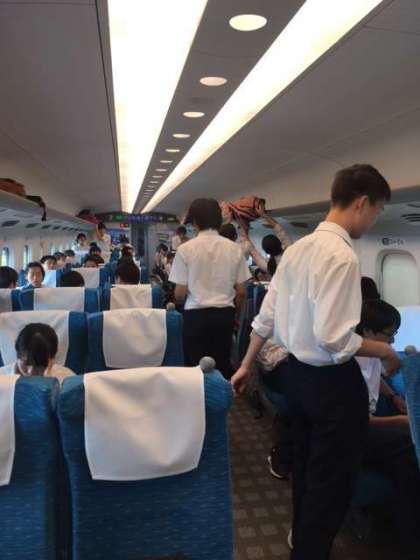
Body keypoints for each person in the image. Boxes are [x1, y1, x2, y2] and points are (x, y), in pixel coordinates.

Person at [231, 164, 400, 560]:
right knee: (332, 485)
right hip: (333, 385)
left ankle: (303, 546)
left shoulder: (297, 250)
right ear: (361, 203)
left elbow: (266, 317)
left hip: (298, 378)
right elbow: (335, 339)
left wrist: (245, 364)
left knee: (307, 472)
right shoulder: (342, 256)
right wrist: (386, 351)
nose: (374, 221)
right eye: (377, 211)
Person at [356, 299, 420, 557]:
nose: (393, 342)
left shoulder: (373, 353)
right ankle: (410, 542)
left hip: (368, 425)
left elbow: (377, 378)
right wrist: (403, 423)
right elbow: (356, 424)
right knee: (410, 456)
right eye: (389, 335)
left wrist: (394, 397)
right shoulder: (347, 366)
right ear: (367, 332)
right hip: (353, 439)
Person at [169, 198, 251, 378]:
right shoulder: (234, 249)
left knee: (195, 370)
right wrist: (236, 314)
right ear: (218, 219)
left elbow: (180, 294)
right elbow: (241, 292)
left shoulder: (185, 249)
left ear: (195, 222)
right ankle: (222, 395)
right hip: (224, 316)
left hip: (195, 316)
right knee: (221, 365)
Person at [0, 323, 75, 384]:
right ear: (17, 353)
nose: (30, 372)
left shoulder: (66, 379)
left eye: (39, 366)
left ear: (53, 358)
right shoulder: (2, 379)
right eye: (26, 363)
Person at [241, 212, 293, 277]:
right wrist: (263, 214)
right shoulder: (291, 252)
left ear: (266, 251)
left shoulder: (269, 266)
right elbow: (279, 229)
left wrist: (243, 226)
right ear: (279, 242)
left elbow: (252, 250)